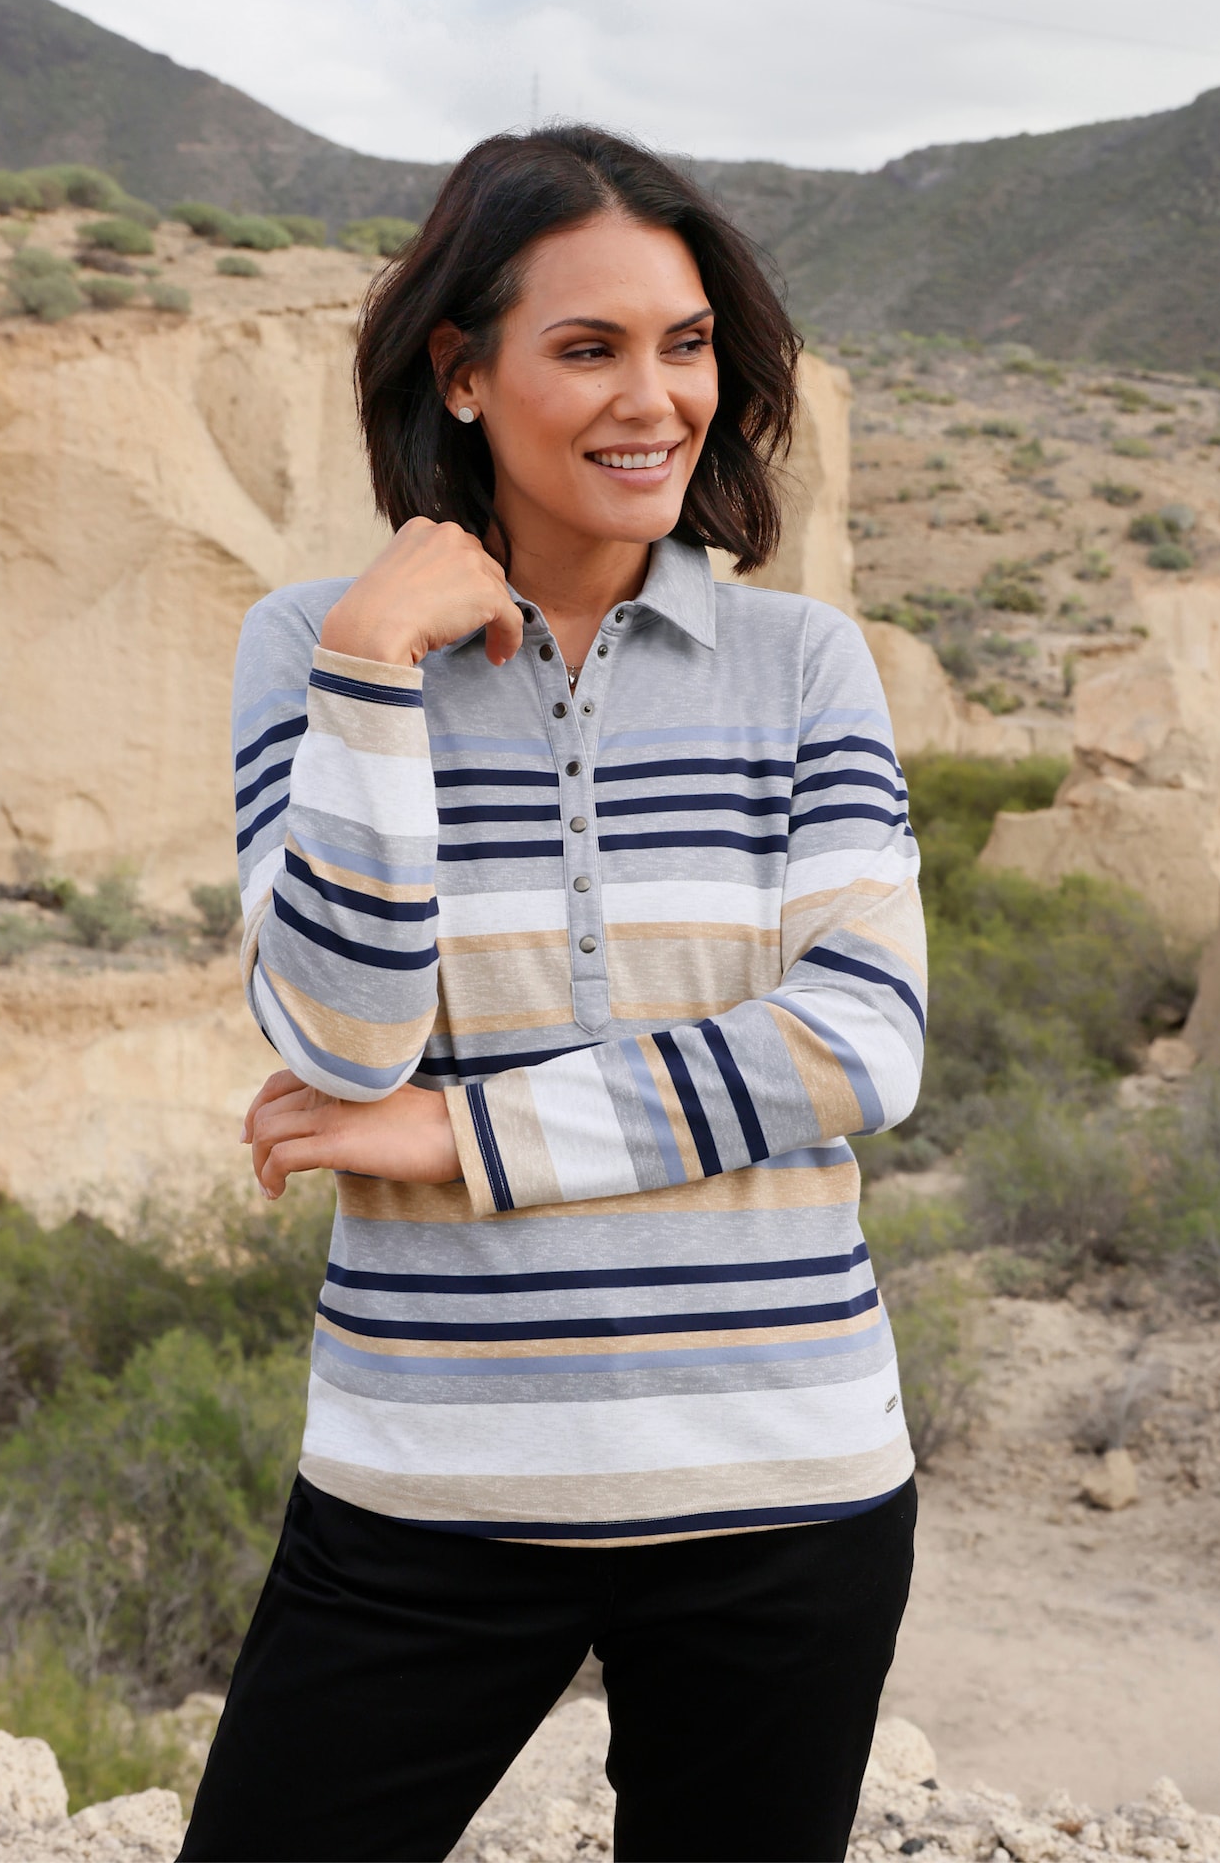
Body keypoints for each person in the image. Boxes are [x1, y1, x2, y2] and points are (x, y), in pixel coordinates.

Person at [180, 126, 927, 1863]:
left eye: (684, 345)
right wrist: (377, 670)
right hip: (427, 1480)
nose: (651, 398)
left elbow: (859, 1041)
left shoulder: (803, 664)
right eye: (588, 349)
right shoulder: (312, 643)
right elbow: (333, 1031)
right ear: (463, 373)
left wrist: (458, 1132)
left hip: (782, 1478)